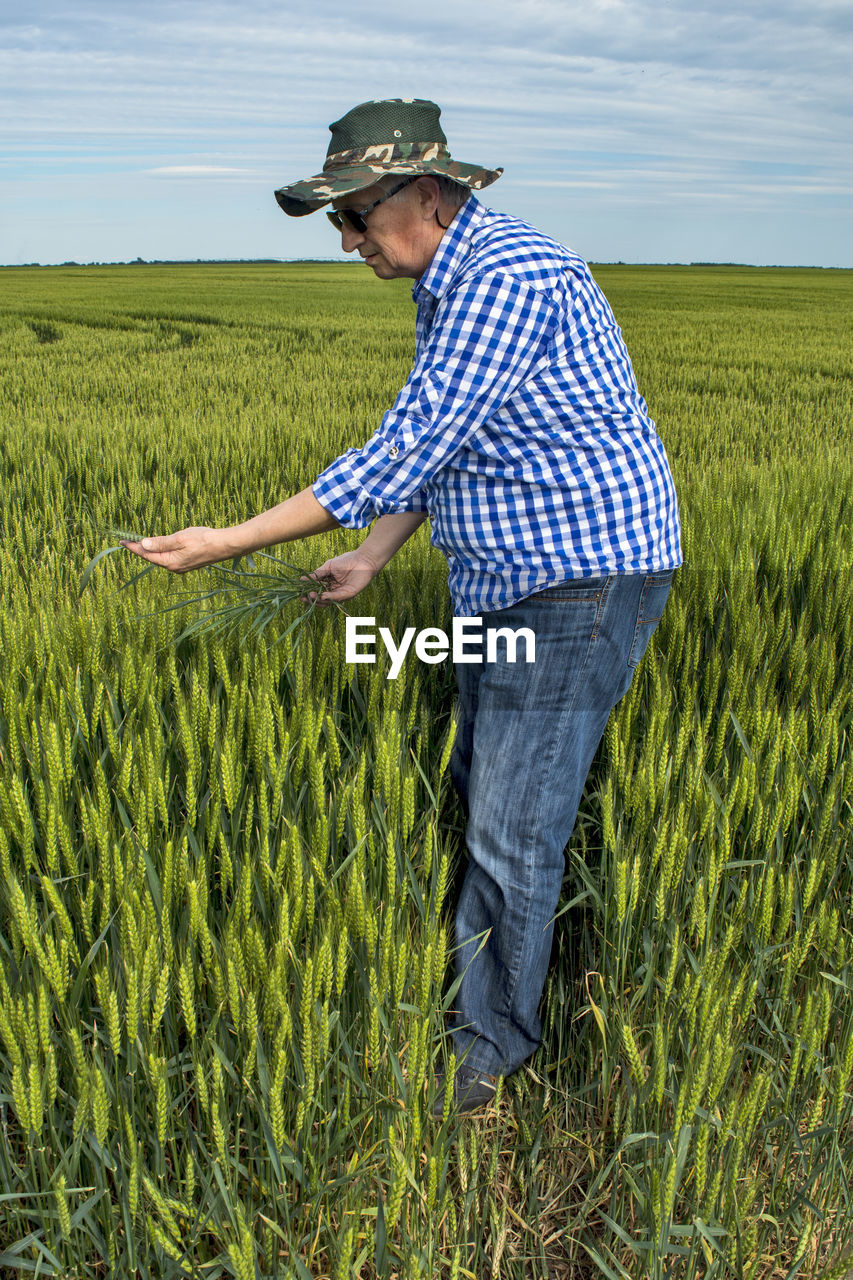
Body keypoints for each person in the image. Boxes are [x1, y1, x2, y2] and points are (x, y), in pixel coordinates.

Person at [123, 97, 682, 1118]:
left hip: (577, 575)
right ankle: (480, 1002)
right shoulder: (450, 276)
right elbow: (456, 440)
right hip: (513, 574)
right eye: (337, 221)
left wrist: (224, 539)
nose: (347, 241)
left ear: (427, 194)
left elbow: (405, 445)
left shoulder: (506, 275)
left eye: (357, 215)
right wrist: (376, 551)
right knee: (484, 793)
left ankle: (484, 1063)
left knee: (514, 827)